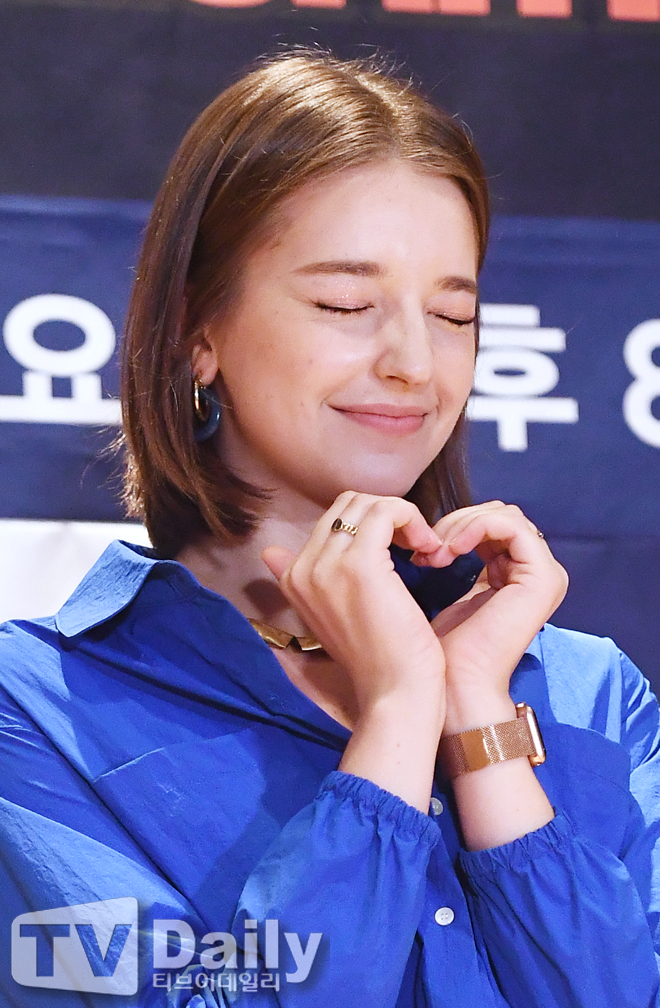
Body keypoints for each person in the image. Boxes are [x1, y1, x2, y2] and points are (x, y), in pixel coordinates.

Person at [0, 50, 659, 1008]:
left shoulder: (594, 694)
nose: (414, 364)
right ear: (196, 331)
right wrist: (394, 717)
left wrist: (476, 719)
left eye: (453, 314)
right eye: (346, 303)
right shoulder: (36, 710)